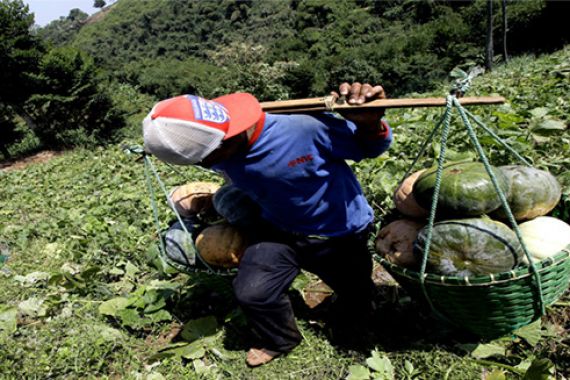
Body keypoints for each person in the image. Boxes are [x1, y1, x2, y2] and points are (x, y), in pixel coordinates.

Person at [143, 82, 392, 367]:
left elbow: (372, 146)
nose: (206, 167)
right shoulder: (216, 151)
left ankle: (355, 312)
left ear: (225, 139)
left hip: (338, 233)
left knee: (355, 293)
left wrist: (371, 124)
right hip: (279, 231)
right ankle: (281, 339)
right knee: (253, 292)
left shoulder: (305, 128)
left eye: (206, 159)